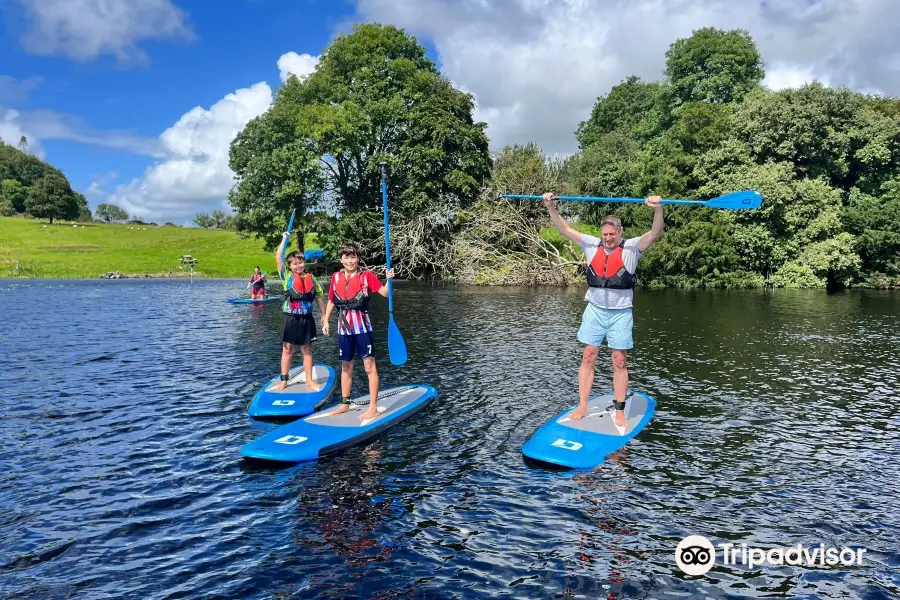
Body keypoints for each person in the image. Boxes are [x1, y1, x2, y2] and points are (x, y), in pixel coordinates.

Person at [542, 192, 664, 428]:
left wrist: (657, 209)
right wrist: (550, 207)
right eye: (605, 234)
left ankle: (619, 410)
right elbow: (565, 229)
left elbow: (655, 233)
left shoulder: (631, 247)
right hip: (595, 311)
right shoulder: (590, 244)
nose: (608, 238)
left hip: (620, 314)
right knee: (588, 355)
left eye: (612, 234)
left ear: (620, 232)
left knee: (619, 360)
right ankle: (582, 405)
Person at [321, 243, 395, 421]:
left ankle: (373, 407)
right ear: (341, 260)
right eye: (346, 257)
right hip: (343, 328)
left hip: (362, 328)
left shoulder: (367, 276)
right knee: (346, 366)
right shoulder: (336, 277)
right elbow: (331, 300)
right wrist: (325, 319)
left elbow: (384, 293)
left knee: (369, 367)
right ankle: (345, 403)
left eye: (353, 257)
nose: (350, 260)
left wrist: (389, 280)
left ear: (358, 259)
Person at [274, 233, 326, 392]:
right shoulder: (287, 276)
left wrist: (324, 315)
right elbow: (278, 257)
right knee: (287, 349)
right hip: (290, 317)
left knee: (307, 349)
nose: (298, 266)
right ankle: (284, 380)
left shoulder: (312, 279)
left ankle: (309, 381)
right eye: (295, 263)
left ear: (304, 262)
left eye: (300, 262)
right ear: (290, 266)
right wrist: (284, 239)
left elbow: (318, 297)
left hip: (307, 318)